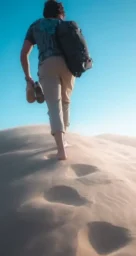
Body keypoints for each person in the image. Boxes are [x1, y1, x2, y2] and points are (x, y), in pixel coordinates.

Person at [20, 0, 75, 160]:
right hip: (68, 66)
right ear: (61, 13)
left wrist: (28, 77)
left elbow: (24, 53)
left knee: (54, 105)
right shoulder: (64, 24)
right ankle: (64, 141)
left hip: (47, 64)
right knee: (65, 102)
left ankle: (61, 150)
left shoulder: (35, 26)